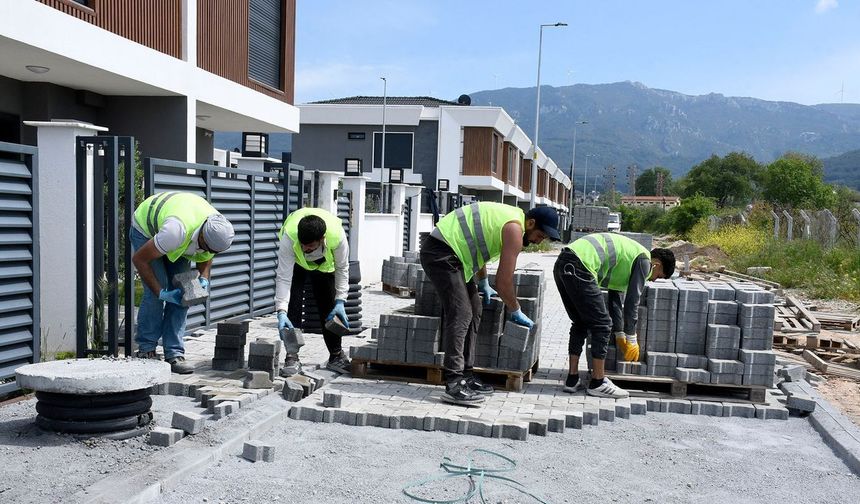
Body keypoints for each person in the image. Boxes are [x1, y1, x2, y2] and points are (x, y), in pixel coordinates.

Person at [420, 202, 560, 406]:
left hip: (453, 254)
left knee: (474, 309)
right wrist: (515, 309)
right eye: (541, 235)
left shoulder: (509, 220)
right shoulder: (514, 229)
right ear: (530, 223)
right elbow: (503, 283)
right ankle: (453, 382)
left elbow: (478, 246)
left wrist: (483, 281)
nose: (540, 241)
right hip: (440, 253)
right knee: (461, 313)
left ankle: (466, 375)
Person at [554, 232, 675, 397]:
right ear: (656, 264)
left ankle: (572, 379)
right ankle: (598, 382)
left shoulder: (628, 260)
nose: (653, 280)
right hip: (580, 265)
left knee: (580, 322)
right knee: (603, 326)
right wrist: (631, 338)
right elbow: (633, 301)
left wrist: (619, 334)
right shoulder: (644, 261)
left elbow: (615, 300)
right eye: (659, 276)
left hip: (563, 262)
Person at [130, 191, 235, 374]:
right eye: (207, 248)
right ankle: (147, 350)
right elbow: (140, 260)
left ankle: (174, 353)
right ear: (202, 237)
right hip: (146, 229)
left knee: (187, 292)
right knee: (156, 292)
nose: (209, 252)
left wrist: (204, 278)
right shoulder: (176, 232)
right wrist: (161, 292)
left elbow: (207, 255)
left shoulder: (217, 227)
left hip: (179, 236)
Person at [274, 207, 351, 376]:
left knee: (328, 306)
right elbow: (283, 277)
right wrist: (281, 310)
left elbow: (342, 268)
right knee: (292, 305)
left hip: (324, 267)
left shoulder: (337, 237)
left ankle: (336, 355)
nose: (305, 250)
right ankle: (292, 356)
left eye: (309, 247)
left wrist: (340, 301)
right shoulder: (289, 237)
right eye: (303, 246)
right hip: (297, 266)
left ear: (322, 239)